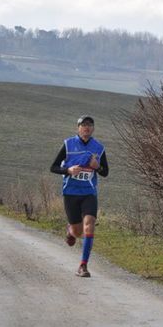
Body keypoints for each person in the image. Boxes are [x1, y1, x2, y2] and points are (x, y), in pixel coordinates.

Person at [50, 115, 109, 277]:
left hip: (89, 193)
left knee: (89, 224)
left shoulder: (98, 147)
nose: (87, 128)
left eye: (90, 125)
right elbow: (53, 167)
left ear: (93, 128)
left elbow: (106, 172)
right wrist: (68, 171)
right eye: (83, 125)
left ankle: (83, 266)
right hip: (71, 193)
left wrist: (97, 167)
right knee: (77, 231)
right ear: (78, 128)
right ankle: (70, 231)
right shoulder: (68, 144)